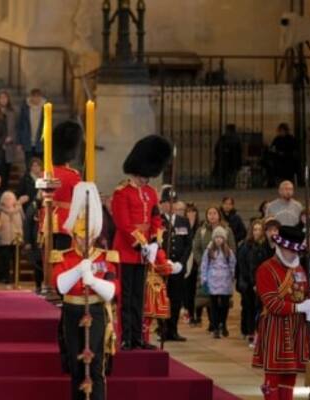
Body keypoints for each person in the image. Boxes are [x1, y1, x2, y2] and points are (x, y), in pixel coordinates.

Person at [53, 181, 118, 400]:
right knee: (76, 367)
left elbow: (112, 291)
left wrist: (93, 280)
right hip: (72, 312)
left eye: (88, 235)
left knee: (97, 366)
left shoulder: (105, 257)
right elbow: (60, 286)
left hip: (97, 312)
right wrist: (78, 271)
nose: (84, 240)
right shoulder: (64, 256)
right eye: (80, 235)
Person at [111, 135, 171, 350]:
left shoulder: (150, 193)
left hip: (144, 252)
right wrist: (142, 244)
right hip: (127, 250)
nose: (147, 180)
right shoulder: (122, 193)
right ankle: (126, 337)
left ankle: (138, 337)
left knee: (139, 297)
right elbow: (124, 224)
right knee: (126, 298)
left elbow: (156, 218)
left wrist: (154, 242)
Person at [252, 226, 310, 400]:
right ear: (279, 246)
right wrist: (299, 307)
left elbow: (305, 292)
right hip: (275, 327)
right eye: (288, 249)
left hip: (296, 328)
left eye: (295, 250)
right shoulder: (266, 268)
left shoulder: (300, 269)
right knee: (274, 374)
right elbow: (272, 303)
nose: (292, 254)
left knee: (290, 375)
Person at [37, 122, 83, 255]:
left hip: (47, 221)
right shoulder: (72, 175)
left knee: (47, 261)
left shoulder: (47, 172)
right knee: (63, 261)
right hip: (65, 223)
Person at [191, 206, 236, 331]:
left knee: (224, 300)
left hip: (223, 272)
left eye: (214, 213)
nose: (212, 216)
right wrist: (202, 262)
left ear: (219, 215)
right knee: (209, 298)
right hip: (207, 270)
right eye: (209, 213)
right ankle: (213, 323)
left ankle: (222, 322)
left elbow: (232, 248)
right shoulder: (201, 230)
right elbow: (196, 248)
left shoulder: (227, 230)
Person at [158, 186, 191, 342]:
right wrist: (163, 261)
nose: (171, 206)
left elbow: (188, 245)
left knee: (176, 300)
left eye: (174, 202)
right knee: (162, 299)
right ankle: (162, 329)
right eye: (168, 202)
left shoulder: (183, 221)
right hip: (162, 267)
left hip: (177, 268)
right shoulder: (158, 220)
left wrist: (181, 264)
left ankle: (173, 330)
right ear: (162, 204)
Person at [200, 225, 236, 339]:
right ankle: (215, 326)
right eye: (216, 237)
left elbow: (232, 264)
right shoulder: (209, 251)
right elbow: (204, 265)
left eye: (221, 237)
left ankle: (223, 324)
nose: (219, 239)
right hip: (213, 280)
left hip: (225, 281)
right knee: (214, 305)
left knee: (225, 305)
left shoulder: (228, 251)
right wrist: (204, 279)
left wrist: (232, 276)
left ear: (224, 238)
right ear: (213, 238)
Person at [236, 219, 269, 343]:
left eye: (260, 229)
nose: (257, 232)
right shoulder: (245, 246)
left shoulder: (265, 246)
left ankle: (258, 332)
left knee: (259, 309)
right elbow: (242, 265)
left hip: (261, 282)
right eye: (255, 229)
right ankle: (249, 331)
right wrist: (250, 280)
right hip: (248, 283)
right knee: (248, 308)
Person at [17, 158, 43, 292]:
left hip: (44, 238)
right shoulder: (33, 207)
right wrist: (27, 240)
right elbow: (28, 223)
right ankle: (38, 285)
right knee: (38, 263)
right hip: (35, 238)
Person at [0, 191, 23, 284]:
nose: (8, 200)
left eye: (10, 198)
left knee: (16, 261)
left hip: (16, 240)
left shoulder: (19, 210)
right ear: (3, 200)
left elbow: (23, 224)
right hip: (3, 240)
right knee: (4, 261)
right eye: (6, 199)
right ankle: (5, 278)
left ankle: (16, 278)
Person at [17, 88, 45, 168]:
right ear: (31, 97)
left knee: (40, 166)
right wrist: (19, 142)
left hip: (40, 142)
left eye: (38, 96)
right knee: (28, 165)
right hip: (27, 141)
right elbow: (20, 125)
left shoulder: (45, 108)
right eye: (34, 96)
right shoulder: (25, 108)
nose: (36, 98)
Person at [0, 90, 17, 190]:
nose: (3, 100)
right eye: (1, 98)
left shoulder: (12, 112)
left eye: (5, 98)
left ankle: (4, 189)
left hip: (9, 145)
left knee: (7, 169)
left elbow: (15, 128)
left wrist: (11, 137)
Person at [212, 124, 242, 189]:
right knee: (229, 175)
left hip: (224, 160)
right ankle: (226, 185)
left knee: (225, 174)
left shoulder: (224, 138)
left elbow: (217, 148)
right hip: (231, 161)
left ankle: (222, 185)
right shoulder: (235, 138)